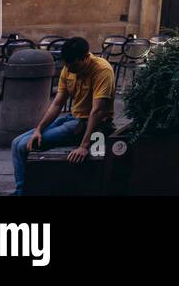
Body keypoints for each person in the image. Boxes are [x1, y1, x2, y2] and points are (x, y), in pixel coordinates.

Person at [11, 37, 114, 195]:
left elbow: (97, 111)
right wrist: (38, 129)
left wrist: (84, 146)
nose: (70, 69)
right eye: (67, 65)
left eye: (74, 65)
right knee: (16, 143)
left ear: (86, 57)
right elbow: (58, 104)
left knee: (23, 146)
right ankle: (21, 190)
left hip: (89, 125)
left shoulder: (102, 70)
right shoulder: (68, 68)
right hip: (71, 118)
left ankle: (23, 193)